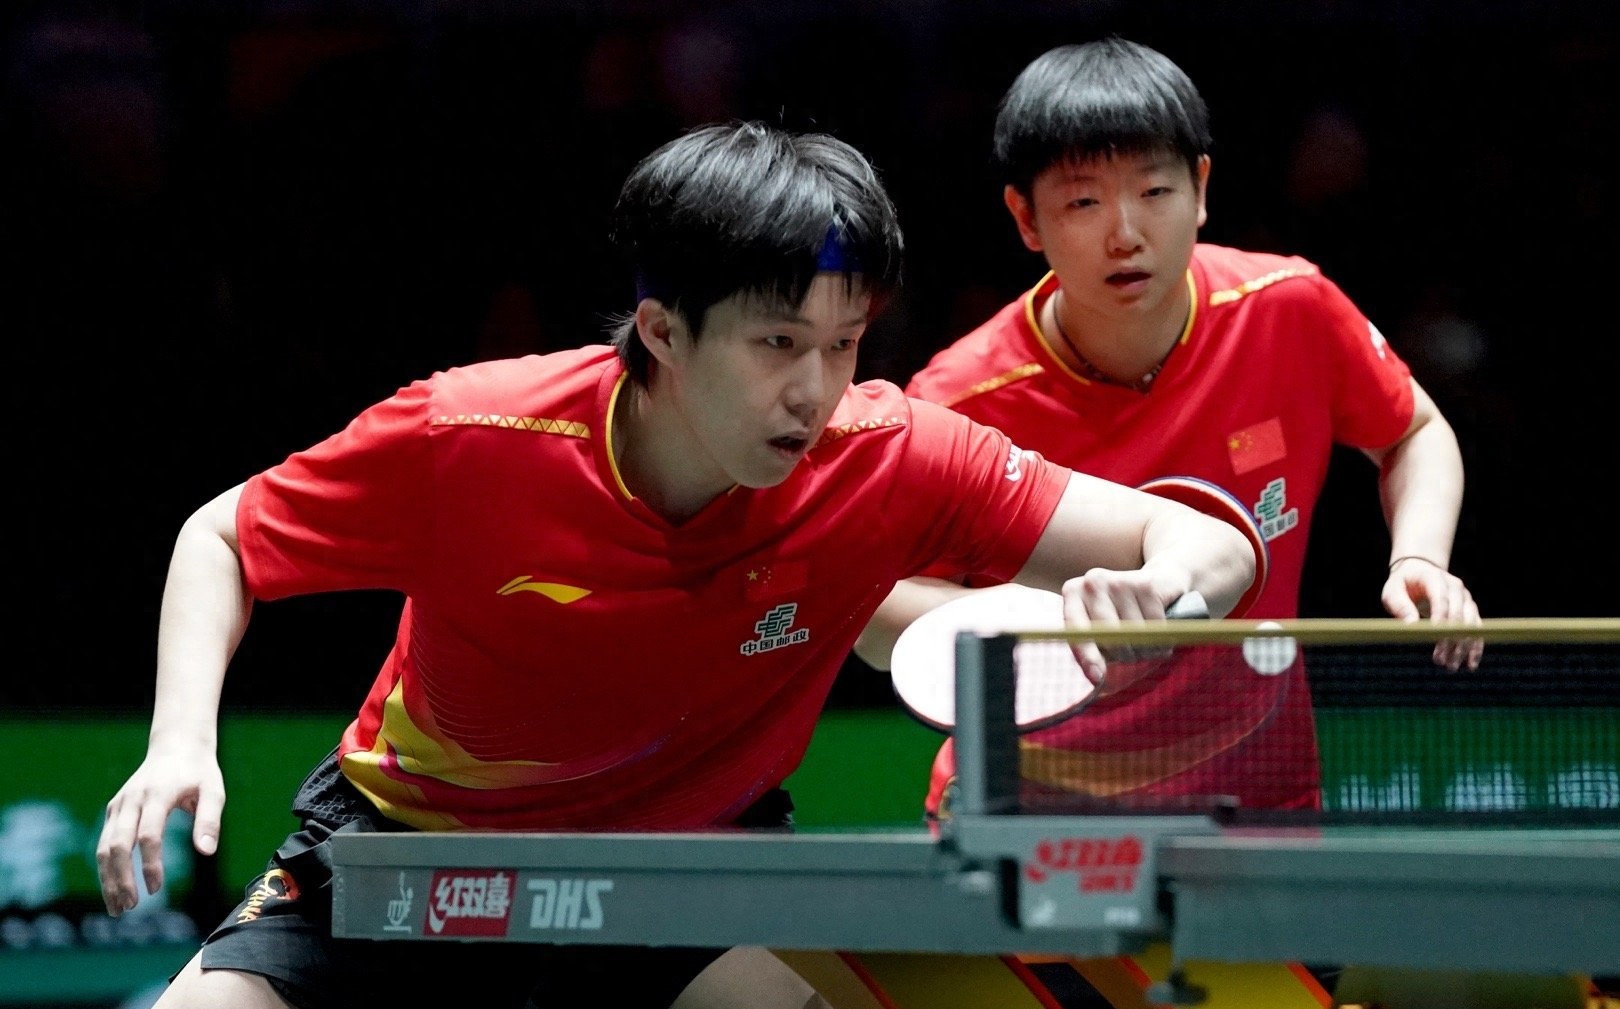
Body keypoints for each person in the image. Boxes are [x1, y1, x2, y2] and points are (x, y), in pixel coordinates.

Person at [95, 120, 1257, 1009]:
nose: (815, 390)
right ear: (661, 329)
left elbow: (1212, 542)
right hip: (413, 849)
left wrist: (1159, 595)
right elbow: (226, 536)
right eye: (778, 344)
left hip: (690, 869)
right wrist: (180, 740)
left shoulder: (892, 455)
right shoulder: (472, 437)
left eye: (843, 343)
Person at [855, 36, 1483, 822]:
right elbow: (871, 605)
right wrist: (1028, 618)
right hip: (1028, 807)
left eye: (1154, 190)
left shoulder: (1290, 309)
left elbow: (1413, 430)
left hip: (1258, 802)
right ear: (1026, 217)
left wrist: (1419, 556)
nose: (1126, 233)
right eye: (1083, 203)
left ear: (1201, 187)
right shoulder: (958, 399)